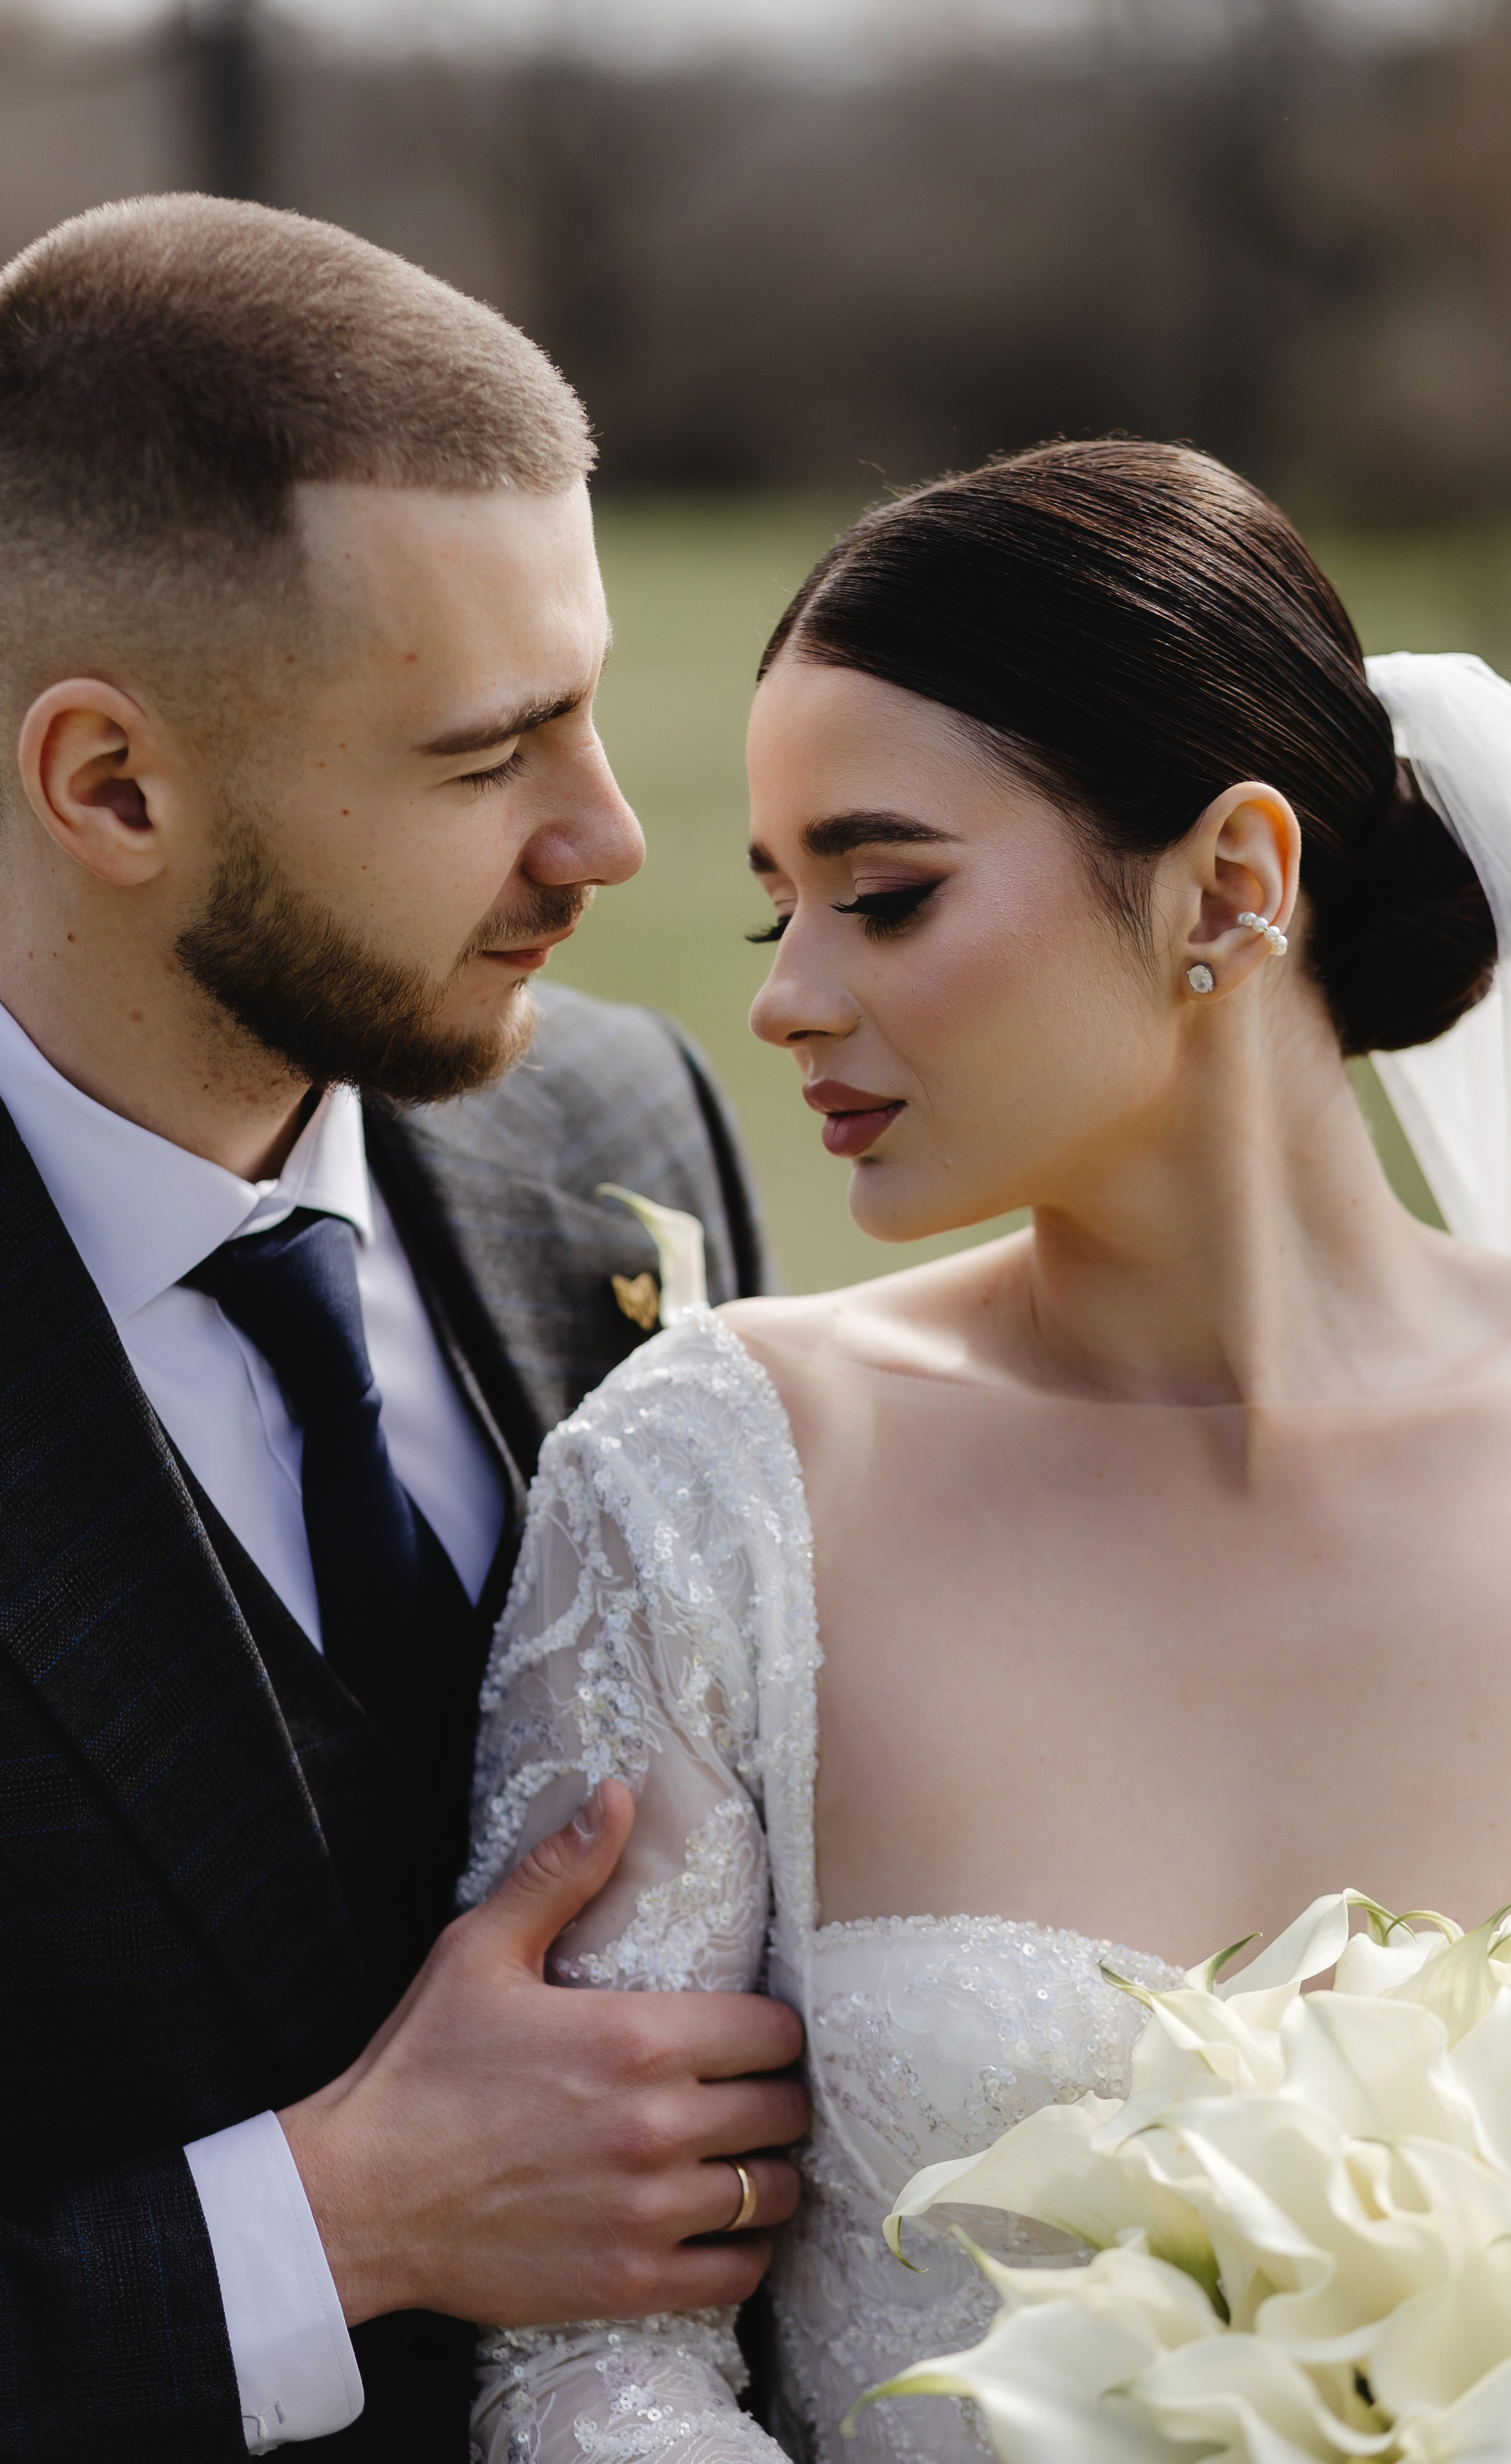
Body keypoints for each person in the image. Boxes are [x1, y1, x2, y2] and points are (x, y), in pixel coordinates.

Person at [0, 194, 811, 2461]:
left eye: (588, 709)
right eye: (488, 758)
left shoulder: (633, 1129)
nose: (608, 839)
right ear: (112, 785)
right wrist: (338, 2222)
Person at [465, 439, 1511, 2463]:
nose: (786, 1000)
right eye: (779, 911)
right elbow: (588, 2361)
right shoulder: (718, 1488)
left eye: (884, 896)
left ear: (1233, 885)